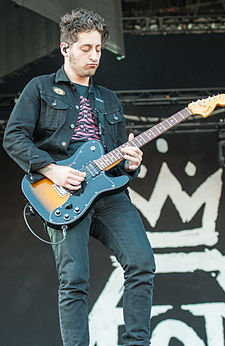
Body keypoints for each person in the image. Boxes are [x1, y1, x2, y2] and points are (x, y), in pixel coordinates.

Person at [3, 8, 155, 346]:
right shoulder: (40, 89)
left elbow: (118, 163)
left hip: (109, 196)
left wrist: (130, 164)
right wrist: (51, 168)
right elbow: (13, 137)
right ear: (65, 48)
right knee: (74, 278)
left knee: (142, 263)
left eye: (98, 48)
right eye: (86, 48)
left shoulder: (109, 99)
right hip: (62, 192)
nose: (94, 55)